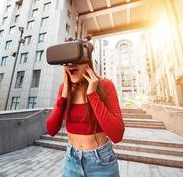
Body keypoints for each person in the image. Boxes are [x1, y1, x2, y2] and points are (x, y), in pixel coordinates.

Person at [46, 36, 125, 177]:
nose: (71, 64)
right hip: (72, 160)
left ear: (87, 60)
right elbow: (51, 130)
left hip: (101, 162)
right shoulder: (63, 89)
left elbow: (117, 135)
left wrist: (93, 95)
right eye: (66, 61)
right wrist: (64, 96)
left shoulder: (105, 85)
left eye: (76, 58)